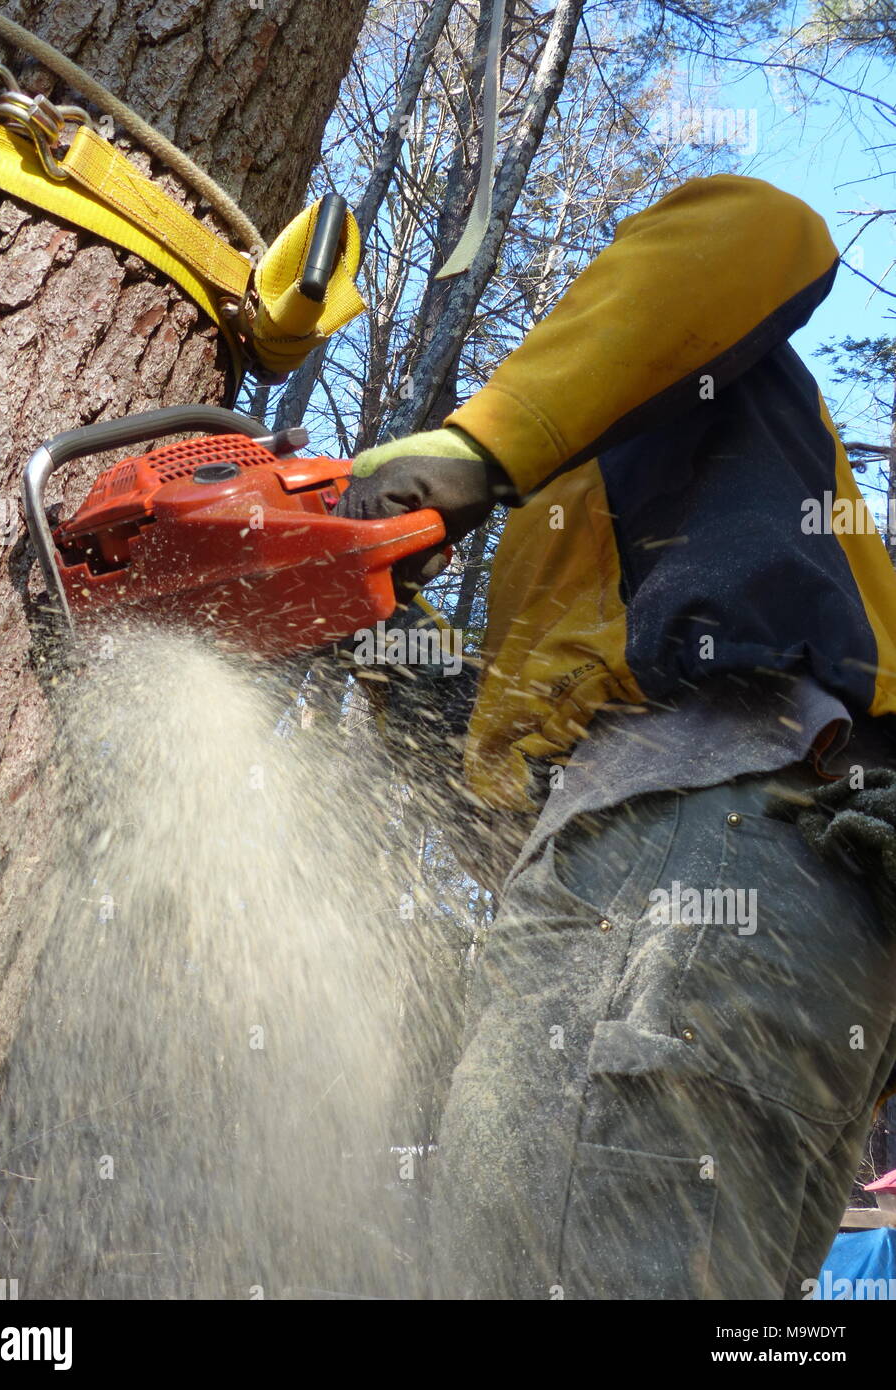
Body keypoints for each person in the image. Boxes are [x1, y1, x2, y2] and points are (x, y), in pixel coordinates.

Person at [335, 174, 896, 1299]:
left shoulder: (679, 375)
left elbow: (766, 224)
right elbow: (515, 772)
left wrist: (483, 440)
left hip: (703, 834)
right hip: (770, 898)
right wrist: (377, 629)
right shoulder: (576, 574)